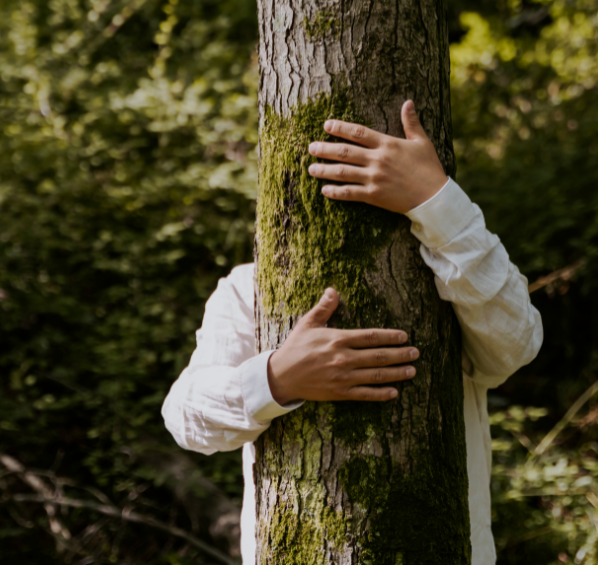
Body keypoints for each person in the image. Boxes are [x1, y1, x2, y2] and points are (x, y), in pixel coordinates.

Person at [162, 100, 544, 565]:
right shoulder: (250, 289)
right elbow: (185, 417)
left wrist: (436, 200)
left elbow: (517, 343)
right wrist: (276, 378)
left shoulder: (449, 266)